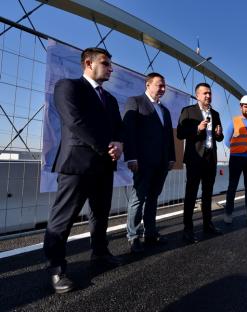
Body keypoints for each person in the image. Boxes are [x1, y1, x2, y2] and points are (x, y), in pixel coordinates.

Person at [43, 47, 123, 294]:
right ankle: (56, 270)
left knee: (100, 214)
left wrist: (119, 144)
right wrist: (105, 147)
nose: (110, 68)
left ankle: (100, 253)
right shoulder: (68, 87)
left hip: (103, 166)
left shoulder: (109, 99)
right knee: (63, 218)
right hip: (77, 164)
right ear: (88, 63)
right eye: (105, 63)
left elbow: (118, 127)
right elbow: (74, 121)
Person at [123, 72, 175, 253]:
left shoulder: (165, 111)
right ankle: (133, 236)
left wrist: (171, 157)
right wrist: (131, 157)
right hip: (142, 161)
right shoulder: (135, 102)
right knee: (138, 198)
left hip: (161, 162)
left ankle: (150, 232)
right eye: (159, 85)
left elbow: (168, 137)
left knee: (153, 198)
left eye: (164, 86)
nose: (162, 88)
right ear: (148, 85)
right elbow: (128, 131)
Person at [177, 82, 224, 243]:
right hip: (195, 158)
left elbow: (220, 137)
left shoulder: (216, 114)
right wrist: (197, 129)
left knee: (207, 194)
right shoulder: (188, 111)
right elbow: (181, 134)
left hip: (211, 158)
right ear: (197, 95)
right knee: (191, 194)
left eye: (209, 93)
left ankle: (207, 225)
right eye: (204, 93)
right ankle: (188, 229)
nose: (208, 96)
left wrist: (219, 134)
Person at [223, 95, 247, 225]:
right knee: (232, 186)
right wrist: (237, 149)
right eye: (246, 106)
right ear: (241, 107)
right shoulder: (233, 122)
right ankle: (228, 213)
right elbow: (227, 141)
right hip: (236, 159)